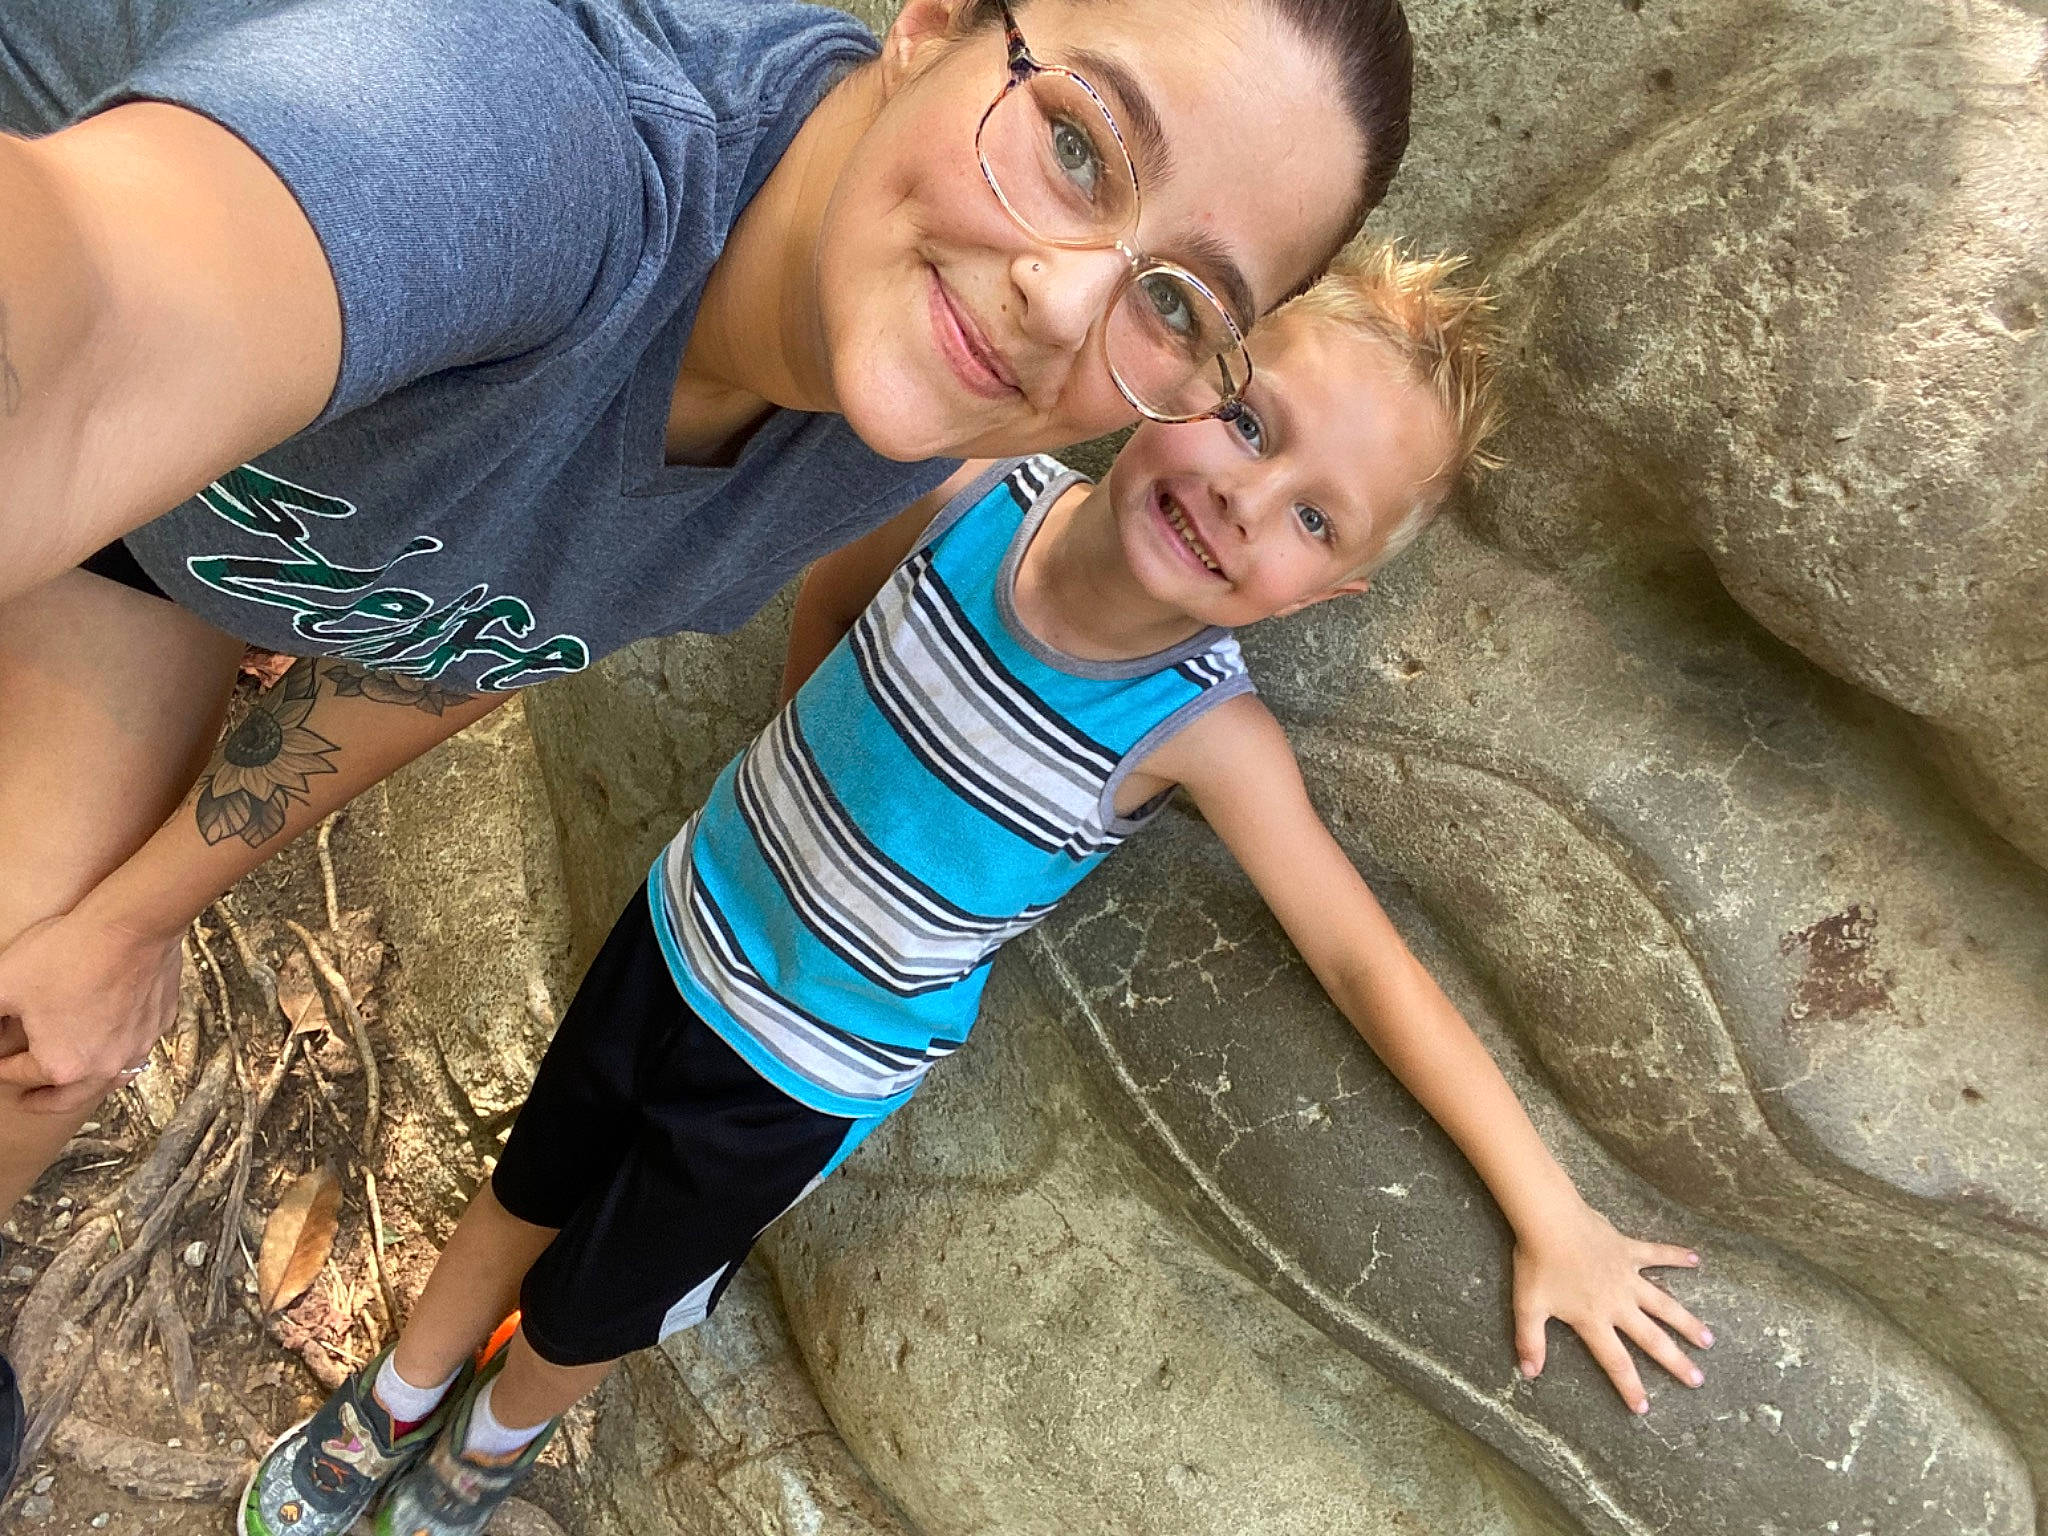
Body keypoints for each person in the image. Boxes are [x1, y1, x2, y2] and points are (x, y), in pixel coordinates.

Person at [0, 0, 1415, 1466]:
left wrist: (135, 917)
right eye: (1076, 143)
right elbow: (94, 300)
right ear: (934, 24)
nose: (1064, 304)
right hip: (119, 438)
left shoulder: (904, 414)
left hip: (184, 559)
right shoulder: (536, 143)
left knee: (38, 1040)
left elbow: (488, 626)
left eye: (1177, 306)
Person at [240, 242, 1715, 1536]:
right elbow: (832, 598)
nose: (1247, 495)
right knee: (530, 1180)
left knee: (596, 1302)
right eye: (1249, 419)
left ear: (1326, 595)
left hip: (801, 1077)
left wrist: (1553, 1212)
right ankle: (398, 1391)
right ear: (1177, 372)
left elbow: (1362, 960)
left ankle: (490, 1443)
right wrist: (800, 783)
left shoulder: (1201, 733)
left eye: (1316, 519)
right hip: (686, 922)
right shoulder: (967, 497)